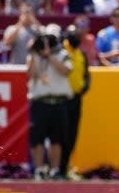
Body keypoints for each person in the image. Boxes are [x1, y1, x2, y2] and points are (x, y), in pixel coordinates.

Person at [26, 25, 72, 181]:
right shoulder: (35, 56)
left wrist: (49, 55)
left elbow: (65, 71)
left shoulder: (63, 54)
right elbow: (30, 75)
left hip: (58, 100)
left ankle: (54, 170)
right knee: (37, 138)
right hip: (40, 100)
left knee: (57, 138)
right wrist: (34, 53)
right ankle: (39, 169)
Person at [61, 25, 90, 180]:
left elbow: (86, 75)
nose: (76, 39)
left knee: (72, 134)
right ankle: (58, 166)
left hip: (76, 98)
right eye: (74, 36)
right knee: (61, 134)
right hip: (63, 98)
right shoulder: (62, 52)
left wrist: (84, 87)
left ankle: (66, 166)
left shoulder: (81, 54)